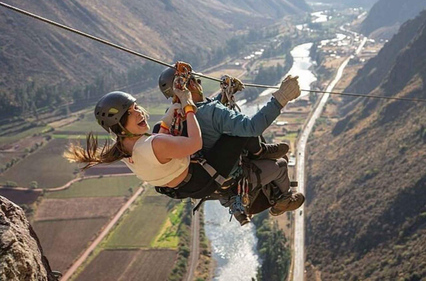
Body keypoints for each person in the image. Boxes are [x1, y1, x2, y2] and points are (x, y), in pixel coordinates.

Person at [158, 66, 305, 223]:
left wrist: (225, 94)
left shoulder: (175, 118)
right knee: (281, 165)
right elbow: (251, 126)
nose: (199, 83)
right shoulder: (211, 112)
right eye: (197, 80)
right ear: (191, 85)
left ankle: (260, 157)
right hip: (234, 178)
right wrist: (281, 98)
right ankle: (284, 200)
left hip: (212, 179)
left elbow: (203, 114)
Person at [64, 83, 226, 199]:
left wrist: (167, 119)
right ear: (119, 126)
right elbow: (195, 143)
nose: (139, 113)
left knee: (157, 127)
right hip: (201, 181)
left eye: (136, 107)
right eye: (130, 113)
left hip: (178, 188)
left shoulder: (122, 148)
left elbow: (155, 146)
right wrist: (188, 107)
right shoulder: (155, 144)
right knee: (232, 136)